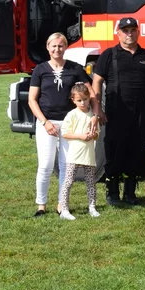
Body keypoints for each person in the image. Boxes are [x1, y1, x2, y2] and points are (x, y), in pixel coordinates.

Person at [92, 17, 145, 206]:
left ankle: (130, 192)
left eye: (132, 30)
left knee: (137, 151)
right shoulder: (109, 55)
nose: (129, 34)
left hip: (141, 111)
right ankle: (112, 191)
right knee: (114, 150)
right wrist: (97, 108)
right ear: (118, 33)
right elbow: (97, 81)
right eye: (125, 30)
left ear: (138, 32)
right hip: (116, 111)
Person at [27, 33, 96, 217]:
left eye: (61, 46)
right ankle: (41, 205)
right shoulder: (40, 70)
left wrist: (95, 115)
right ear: (48, 47)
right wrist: (44, 122)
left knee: (66, 166)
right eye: (54, 46)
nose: (57, 49)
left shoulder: (75, 68)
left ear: (66, 48)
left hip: (70, 125)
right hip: (46, 124)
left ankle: (61, 204)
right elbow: (32, 100)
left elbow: (91, 93)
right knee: (46, 165)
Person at [58, 82, 100, 220]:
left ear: (89, 98)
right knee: (68, 181)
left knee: (90, 181)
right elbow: (65, 133)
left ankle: (92, 207)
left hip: (89, 155)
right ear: (73, 100)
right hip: (74, 155)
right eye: (79, 100)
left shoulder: (93, 117)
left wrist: (92, 135)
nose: (83, 103)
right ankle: (64, 209)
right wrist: (81, 136)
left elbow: (97, 134)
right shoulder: (72, 115)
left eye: (85, 99)